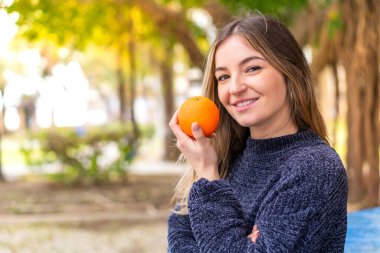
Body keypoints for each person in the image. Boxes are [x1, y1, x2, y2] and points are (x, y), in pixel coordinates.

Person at [167, 12, 348, 252]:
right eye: (223, 76)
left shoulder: (315, 167)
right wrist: (237, 240)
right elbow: (180, 228)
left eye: (252, 68)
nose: (235, 87)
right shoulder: (226, 156)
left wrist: (208, 177)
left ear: (290, 72)